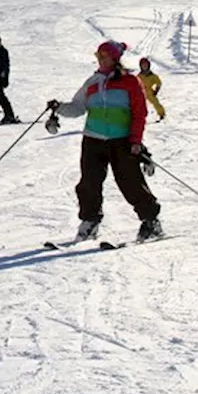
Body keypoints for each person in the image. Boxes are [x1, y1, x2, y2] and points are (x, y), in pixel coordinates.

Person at [47, 40, 162, 243]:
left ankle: (151, 221)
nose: (100, 59)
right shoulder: (92, 82)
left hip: (122, 141)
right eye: (98, 56)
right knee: (89, 183)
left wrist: (136, 140)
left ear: (114, 58)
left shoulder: (130, 82)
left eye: (104, 56)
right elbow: (77, 107)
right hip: (93, 140)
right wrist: (60, 107)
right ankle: (89, 223)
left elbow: (139, 113)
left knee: (130, 182)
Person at [137, 57, 166, 121]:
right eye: (143, 65)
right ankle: (139, 117)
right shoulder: (139, 75)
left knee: (155, 102)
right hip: (141, 92)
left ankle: (161, 114)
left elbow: (159, 82)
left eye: (146, 65)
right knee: (139, 105)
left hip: (149, 92)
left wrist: (156, 90)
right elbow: (136, 83)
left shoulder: (152, 75)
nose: (144, 67)